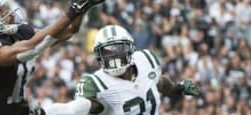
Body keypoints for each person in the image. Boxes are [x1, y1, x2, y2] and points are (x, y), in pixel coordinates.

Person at [31, 25, 198, 115]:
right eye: (107, 53)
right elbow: (76, 108)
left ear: (130, 49)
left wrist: (178, 88)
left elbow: (158, 82)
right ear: (98, 55)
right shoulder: (98, 83)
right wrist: (46, 112)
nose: (113, 58)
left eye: (117, 51)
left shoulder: (145, 60)